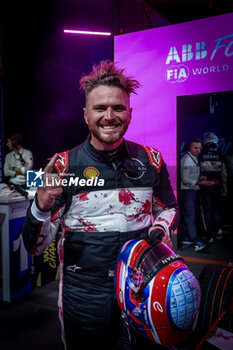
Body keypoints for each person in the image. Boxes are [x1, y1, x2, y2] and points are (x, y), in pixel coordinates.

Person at [22, 61, 179, 350]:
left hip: (140, 292)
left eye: (118, 108)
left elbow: (169, 209)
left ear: (130, 113)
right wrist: (40, 207)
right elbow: (34, 247)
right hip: (82, 298)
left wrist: (159, 228)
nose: (109, 116)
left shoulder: (152, 160)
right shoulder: (62, 166)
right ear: (85, 115)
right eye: (100, 108)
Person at [179, 138, 211, 251]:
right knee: (190, 215)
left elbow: (191, 176)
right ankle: (196, 241)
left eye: (199, 147)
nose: (198, 150)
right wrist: (201, 182)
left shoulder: (194, 158)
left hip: (192, 190)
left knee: (190, 215)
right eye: (195, 147)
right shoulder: (187, 160)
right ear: (189, 147)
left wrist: (199, 178)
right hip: (187, 191)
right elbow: (186, 179)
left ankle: (187, 237)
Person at [200, 132, 227, 243]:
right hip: (217, 186)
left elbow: (198, 172)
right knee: (215, 209)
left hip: (205, 187)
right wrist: (225, 187)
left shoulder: (201, 155)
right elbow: (224, 173)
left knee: (207, 211)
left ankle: (210, 234)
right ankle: (219, 230)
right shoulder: (221, 154)